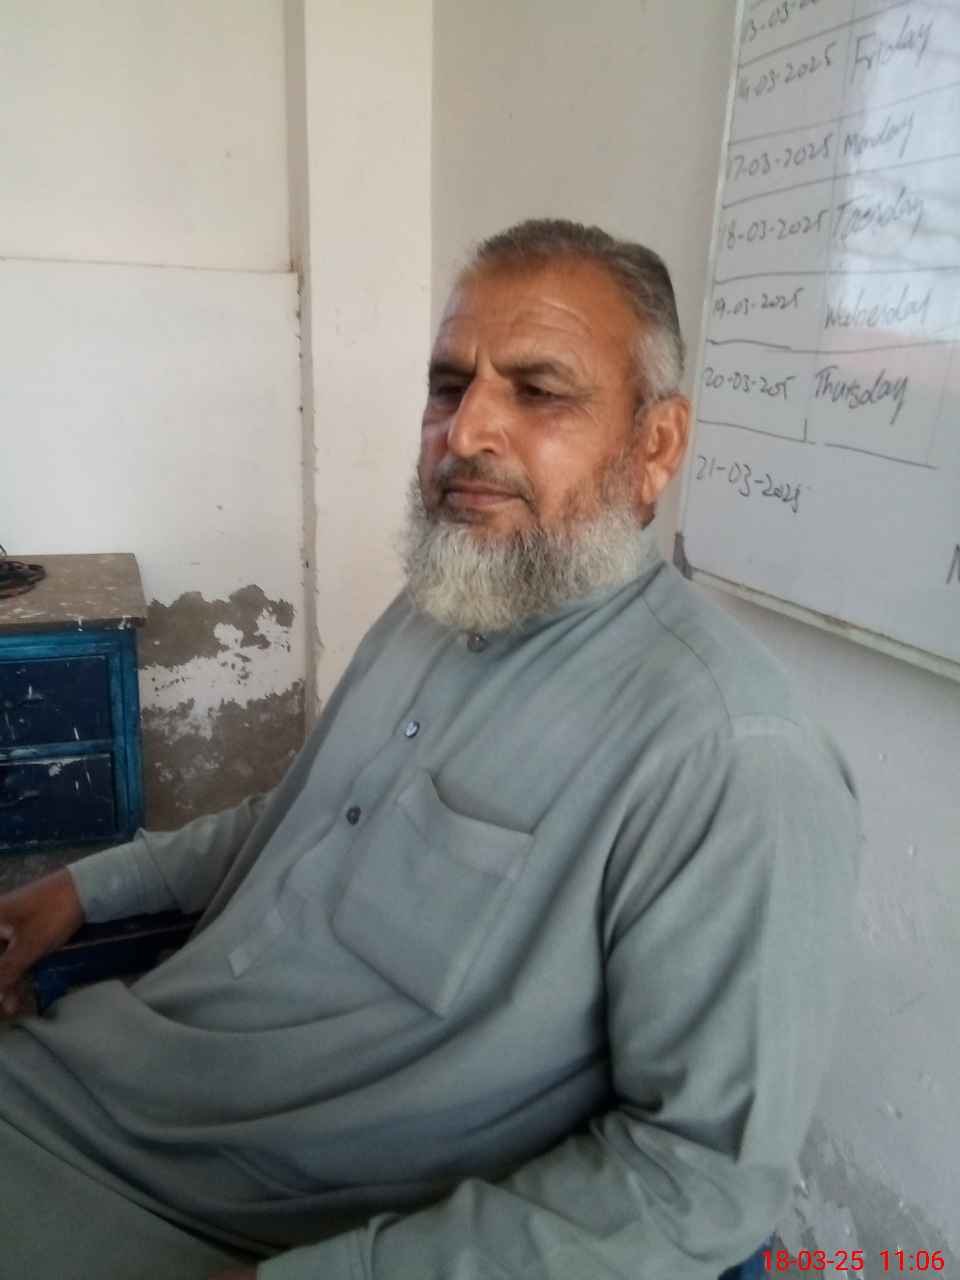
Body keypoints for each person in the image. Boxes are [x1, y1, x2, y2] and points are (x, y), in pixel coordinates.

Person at [0, 219, 860, 1280]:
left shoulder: (732, 757)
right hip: (99, 1081)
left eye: (538, 391)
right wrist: (80, 891)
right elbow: (294, 821)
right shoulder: (437, 606)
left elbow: (696, 1183)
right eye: (450, 386)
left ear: (656, 445)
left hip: (233, 1227)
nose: (467, 430)